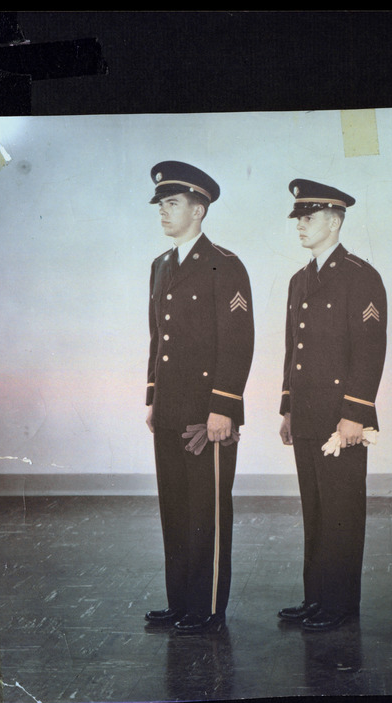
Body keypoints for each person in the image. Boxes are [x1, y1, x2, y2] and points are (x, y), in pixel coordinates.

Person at [143, 160, 255, 634]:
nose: (163, 213)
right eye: (162, 205)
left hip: (207, 413)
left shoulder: (225, 266)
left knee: (205, 510)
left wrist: (224, 407)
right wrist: (152, 396)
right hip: (169, 409)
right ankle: (180, 601)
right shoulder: (161, 265)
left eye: (172, 204)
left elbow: (238, 340)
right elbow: (157, 338)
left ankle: (206, 606)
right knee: (174, 509)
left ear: (199, 209)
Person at [278, 179, 387, 632]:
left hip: (342, 417)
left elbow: (369, 350)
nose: (301, 225)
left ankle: (339, 604)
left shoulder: (360, 275)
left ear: (335, 221)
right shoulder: (300, 279)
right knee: (316, 510)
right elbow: (293, 351)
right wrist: (287, 407)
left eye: (309, 217)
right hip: (306, 414)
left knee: (341, 511)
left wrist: (355, 414)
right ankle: (317, 597)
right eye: (299, 218)